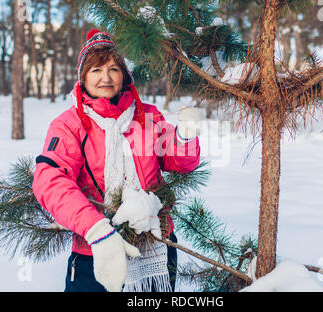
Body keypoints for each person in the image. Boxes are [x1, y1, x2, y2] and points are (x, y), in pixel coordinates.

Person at [32, 29, 201, 292]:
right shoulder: (69, 124)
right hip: (95, 251)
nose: (106, 78)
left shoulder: (147, 117)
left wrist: (185, 137)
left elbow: (180, 163)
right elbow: (51, 181)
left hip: (154, 246)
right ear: (83, 77)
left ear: (124, 75)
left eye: (114, 69)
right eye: (96, 70)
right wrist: (96, 228)